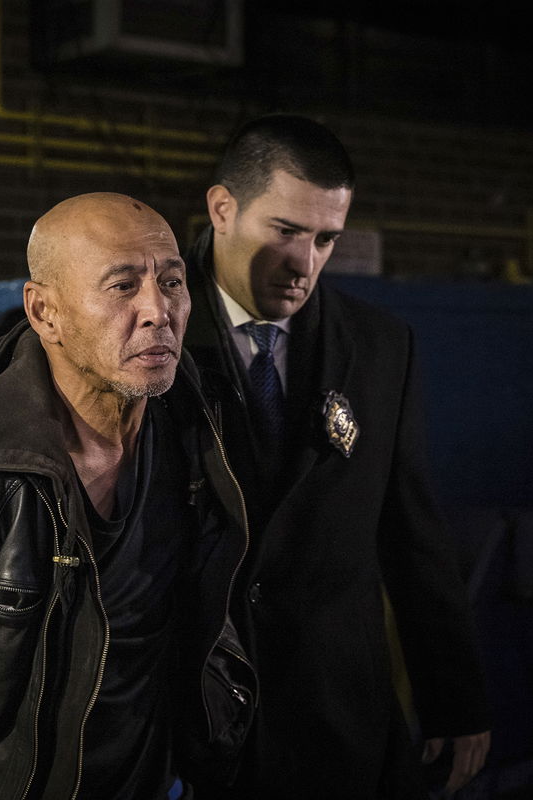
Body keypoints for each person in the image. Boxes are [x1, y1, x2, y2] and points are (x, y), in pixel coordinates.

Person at [0, 193, 257, 799]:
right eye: (122, 286)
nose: (158, 311)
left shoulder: (197, 432)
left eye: (172, 281)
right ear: (45, 312)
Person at [183, 114, 491, 798]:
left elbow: (411, 531)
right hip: (190, 709)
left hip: (335, 709)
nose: (305, 262)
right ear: (222, 209)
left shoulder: (381, 348)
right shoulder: (151, 329)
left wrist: (454, 695)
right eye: (285, 231)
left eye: (325, 239)